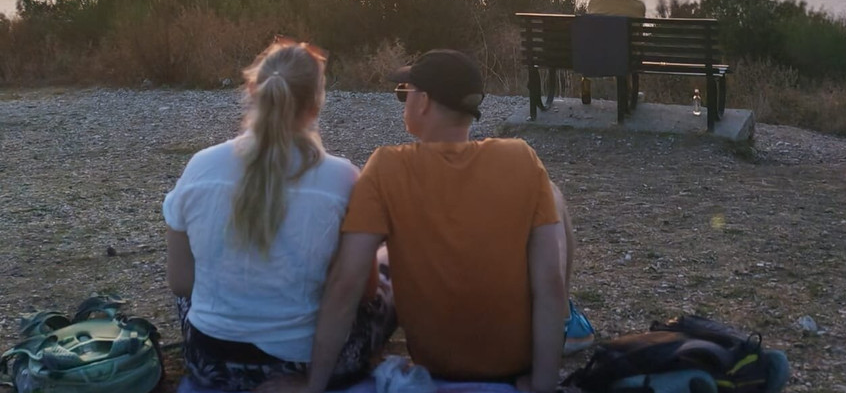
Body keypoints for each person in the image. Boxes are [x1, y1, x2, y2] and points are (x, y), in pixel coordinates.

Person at [258, 49, 594, 393]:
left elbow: (347, 283)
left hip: (437, 360)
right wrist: (542, 386)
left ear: (423, 103)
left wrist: (314, 385)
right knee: (550, 194)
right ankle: (566, 325)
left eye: (404, 92)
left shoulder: (387, 168)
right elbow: (550, 284)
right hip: (514, 361)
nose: (403, 101)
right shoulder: (521, 159)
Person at [163, 39, 395, 392]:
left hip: (211, 361)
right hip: (299, 363)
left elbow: (181, 282)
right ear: (315, 104)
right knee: (387, 269)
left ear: (254, 91)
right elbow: (361, 294)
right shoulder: (342, 179)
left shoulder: (200, 166)